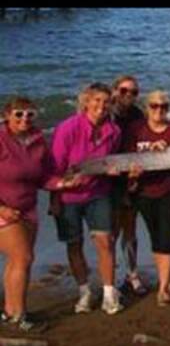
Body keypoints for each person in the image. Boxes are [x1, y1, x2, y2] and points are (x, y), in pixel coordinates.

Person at [0, 98, 80, 331]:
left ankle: (10, 311)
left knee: (17, 261)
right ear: (7, 116)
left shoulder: (37, 141)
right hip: (4, 209)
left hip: (28, 209)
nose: (24, 118)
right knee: (23, 258)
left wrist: (64, 184)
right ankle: (19, 316)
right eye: (18, 114)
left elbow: (44, 177)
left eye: (29, 114)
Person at [51, 82, 123, 315]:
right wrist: (55, 198)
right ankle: (85, 291)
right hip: (68, 195)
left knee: (105, 241)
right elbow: (56, 167)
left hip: (98, 193)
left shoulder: (114, 131)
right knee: (74, 244)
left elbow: (111, 162)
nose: (101, 106)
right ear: (86, 102)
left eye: (106, 102)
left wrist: (114, 171)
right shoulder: (67, 128)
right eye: (96, 100)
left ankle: (110, 294)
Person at [124, 91, 170, 306]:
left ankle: (163, 288)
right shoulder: (135, 130)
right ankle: (165, 278)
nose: (159, 110)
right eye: (154, 106)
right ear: (146, 108)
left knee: (167, 236)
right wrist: (131, 174)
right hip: (144, 192)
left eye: (163, 106)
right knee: (155, 236)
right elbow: (127, 158)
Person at [109, 75, 147, 297]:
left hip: (130, 175)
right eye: (123, 91)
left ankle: (132, 274)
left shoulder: (137, 115)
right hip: (108, 179)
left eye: (133, 92)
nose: (128, 96)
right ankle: (110, 279)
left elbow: (141, 144)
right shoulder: (105, 113)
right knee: (111, 231)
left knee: (130, 228)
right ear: (115, 91)